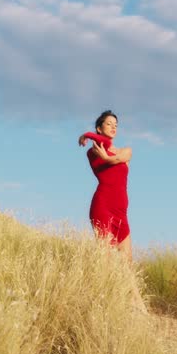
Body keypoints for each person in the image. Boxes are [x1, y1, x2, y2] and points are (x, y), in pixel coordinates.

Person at [78, 110, 133, 261]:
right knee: (105, 259)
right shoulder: (93, 152)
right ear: (99, 129)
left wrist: (106, 158)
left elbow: (116, 159)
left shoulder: (126, 151)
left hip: (121, 211)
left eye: (116, 125)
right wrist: (88, 134)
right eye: (109, 124)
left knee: (127, 262)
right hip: (103, 206)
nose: (113, 127)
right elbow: (105, 144)